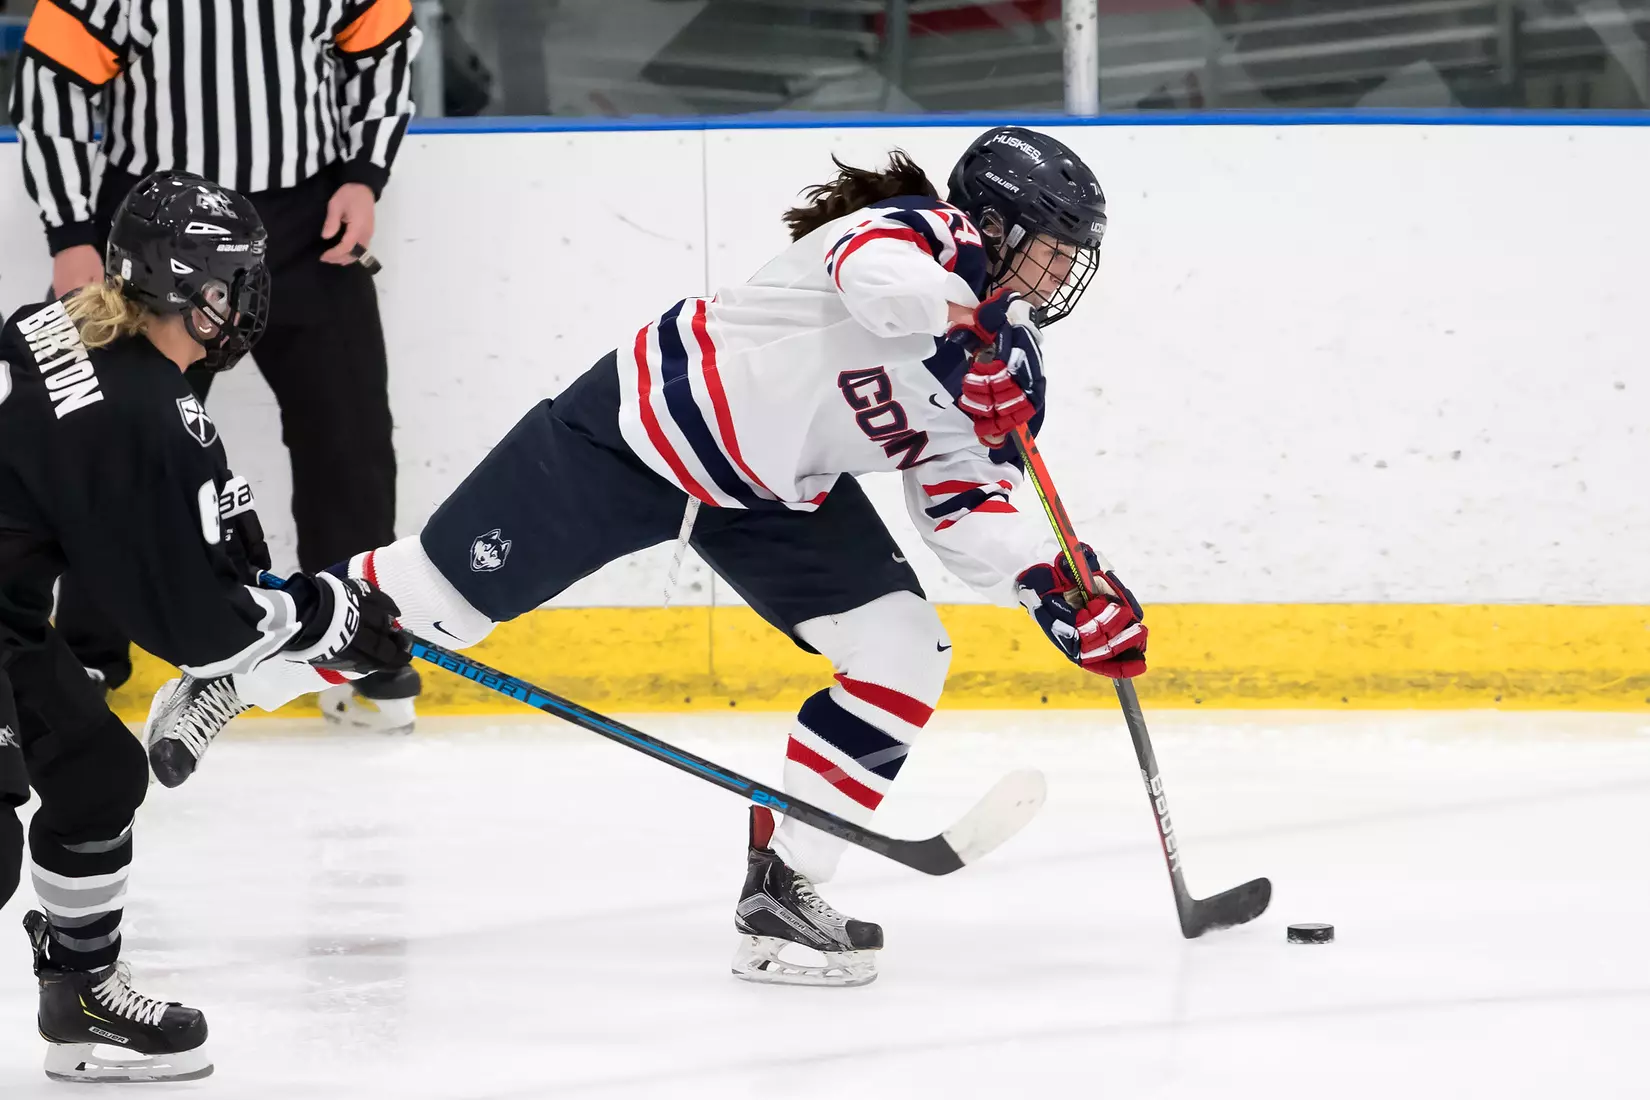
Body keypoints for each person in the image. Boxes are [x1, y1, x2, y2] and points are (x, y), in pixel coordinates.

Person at [147, 126, 1148, 988]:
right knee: (432, 602)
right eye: (1052, 247)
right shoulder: (910, 235)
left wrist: (1050, 582)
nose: (1063, 272)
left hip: (768, 496)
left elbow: (964, 501)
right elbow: (877, 284)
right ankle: (237, 668)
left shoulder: (1012, 368)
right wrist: (963, 322)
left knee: (902, 647)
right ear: (992, 225)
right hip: (634, 434)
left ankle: (787, 889)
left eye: (1074, 256)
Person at [0, 170, 409, 1082]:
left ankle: (81, 995)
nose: (249, 298)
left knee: (95, 776)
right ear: (187, 287)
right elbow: (198, 626)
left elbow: (182, 547)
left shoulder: (68, 325)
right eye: (235, 281)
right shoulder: (143, 410)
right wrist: (325, 619)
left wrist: (281, 603)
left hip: (8, 620)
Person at [9, 0, 424, 730]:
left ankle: (351, 650)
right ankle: (88, 655)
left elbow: (383, 45)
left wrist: (364, 173)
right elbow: (52, 80)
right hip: (151, 234)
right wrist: (70, 232)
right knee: (105, 445)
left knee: (349, 437)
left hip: (305, 219)